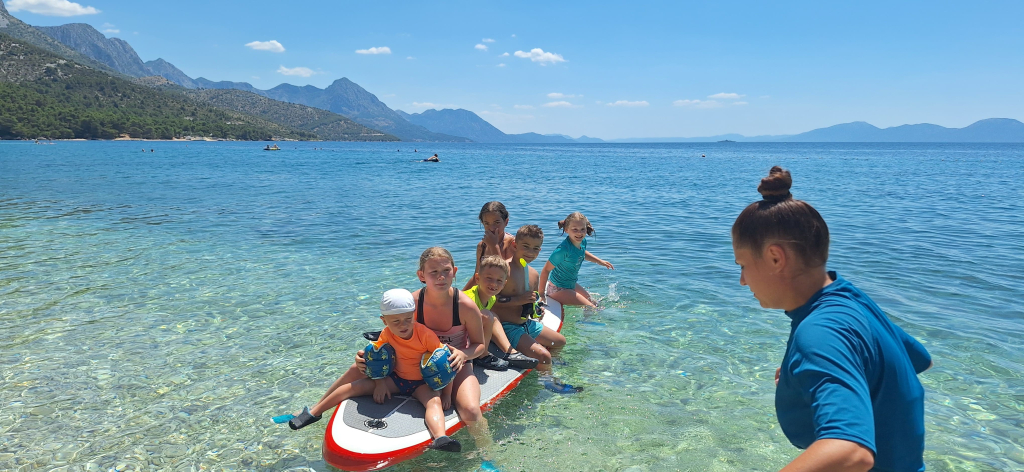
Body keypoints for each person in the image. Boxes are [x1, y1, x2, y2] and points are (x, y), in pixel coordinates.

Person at [732, 166, 931, 472]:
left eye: (743, 265)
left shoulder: (820, 332)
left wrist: (822, 355)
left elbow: (850, 451)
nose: (743, 280)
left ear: (775, 258)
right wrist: (822, 370)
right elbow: (918, 359)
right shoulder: (849, 297)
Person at [314, 248, 494, 453]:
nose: (441, 277)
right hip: (410, 361)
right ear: (421, 275)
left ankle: (486, 454)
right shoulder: (412, 302)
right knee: (357, 367)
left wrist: (463, 354)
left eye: (446, 270)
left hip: (453, 364)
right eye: (433, 272)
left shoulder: (464, 306)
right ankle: (316, 410)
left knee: (470, 410)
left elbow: (480, 345)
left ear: (454, 271)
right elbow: (391, 332)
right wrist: (365, 357)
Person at [285, 289, 461, 452]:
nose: (403, 325)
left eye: (408, 319)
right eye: (396, 321)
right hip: (396, 380)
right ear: (384, 321)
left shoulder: (425, 335)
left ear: (413, 315)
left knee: (434, 403)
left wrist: (446, 394)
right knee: (351, 388)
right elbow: (376, 360)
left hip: (421, 384)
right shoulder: (386, 334)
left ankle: (440, 438)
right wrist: (380, 383)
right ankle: (313, 413)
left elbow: (445, 365)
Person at [465, 255, 539, 370]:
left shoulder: (492, 298)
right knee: (487, 315)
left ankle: (509, 352)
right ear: (477, 278)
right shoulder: (469, 301)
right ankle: (482, 356)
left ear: (504, 284)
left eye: (499, 281)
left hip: (469, 333)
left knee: (492, 316)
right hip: (456, 338)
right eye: (489, 278)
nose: (494, 284)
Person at [538, 212, 614, 308]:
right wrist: (541, 294)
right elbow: (546, 270)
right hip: (557, 289)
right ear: (566, 230)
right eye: (575, 229)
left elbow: (581, 253)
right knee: (592, 307)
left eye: (582, 229)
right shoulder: (563, 250)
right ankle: (585, 318)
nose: (579, 233)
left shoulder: (582, 242)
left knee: (595, 303)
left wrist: (600, 261)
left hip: (571, 284)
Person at [464, 201, 517, 291]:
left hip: (507, 294)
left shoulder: (513, 244)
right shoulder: (482, 246)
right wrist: (459, 295)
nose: (492, 228)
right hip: (488, 293)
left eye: (497, 222)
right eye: (487, 223)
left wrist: (494, 246)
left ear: (506, 222)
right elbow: (477, 277)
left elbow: (507, 276)